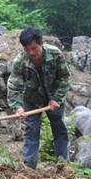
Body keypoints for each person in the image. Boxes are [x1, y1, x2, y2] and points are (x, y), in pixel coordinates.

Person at [6, 27, 71, 168]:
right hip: (32, 99)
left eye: (34, 48)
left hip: (54, 97)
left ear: (41, 43)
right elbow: (13, 85)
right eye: (27, 49)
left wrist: (57, 98)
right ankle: (29, 167)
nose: (31, 52)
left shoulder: (55, 54)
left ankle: (63, 165)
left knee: (59, 128)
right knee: (31, 130)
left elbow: (64, 77)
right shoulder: (20, 61)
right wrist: (17, 107)